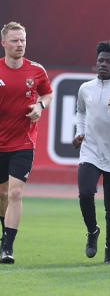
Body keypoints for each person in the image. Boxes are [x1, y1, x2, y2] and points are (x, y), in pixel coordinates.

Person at [72, 41, 110, 265]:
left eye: (109, 61)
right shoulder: (85, 88)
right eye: (100, 60)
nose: (103, 64)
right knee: (86, 193)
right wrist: (79, 133)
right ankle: (92, 231)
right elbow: (80, 113)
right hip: (90, 151)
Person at [0, 21, 53, 264]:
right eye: (15, 40)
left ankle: (8, 248)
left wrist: (40, 106)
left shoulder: (36, 70)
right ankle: (4, 236)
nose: (20, 44)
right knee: (2, 195)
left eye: (23, 40)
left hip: (23, 143)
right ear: (4, 43)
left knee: (14, 193)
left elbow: (48, 93)